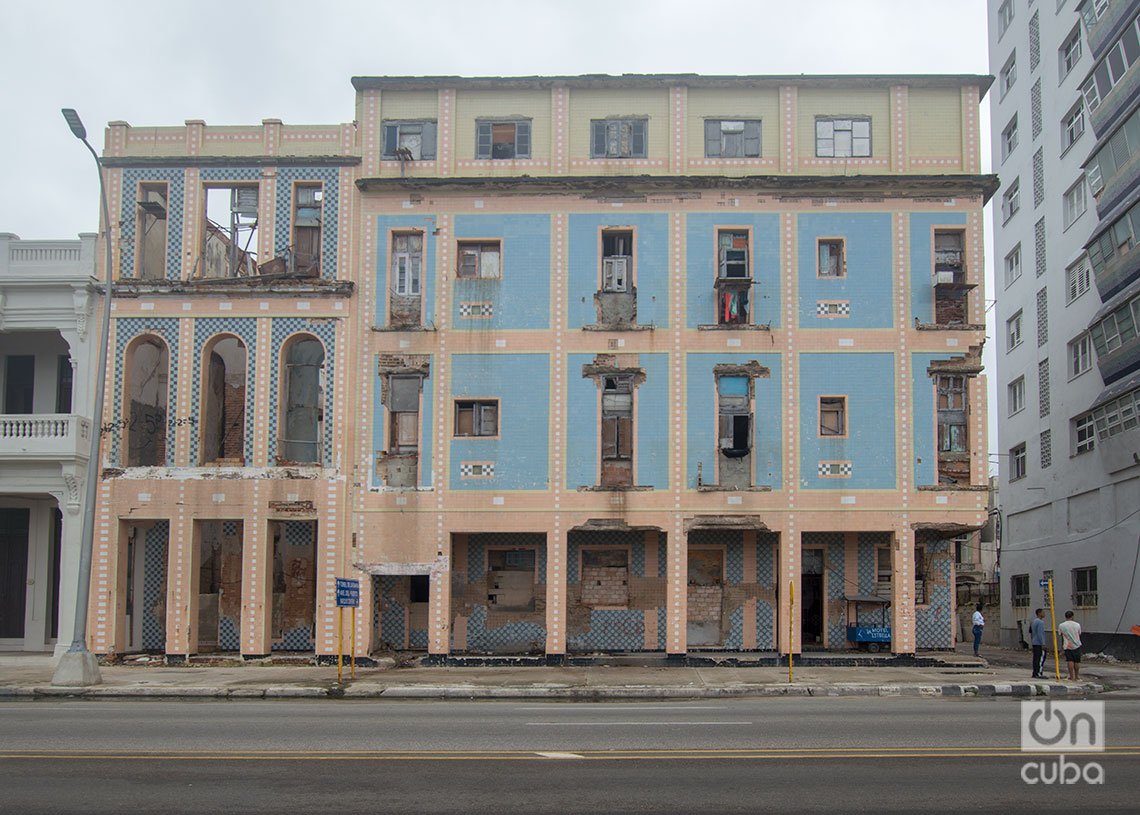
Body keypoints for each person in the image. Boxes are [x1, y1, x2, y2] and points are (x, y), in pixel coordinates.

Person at [1058, 610, 1083, 681]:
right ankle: (1077, 676)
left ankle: (1071, 677)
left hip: (1067, 645)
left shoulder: (1061, 625)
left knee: (1070, 660)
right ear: (1072, 616)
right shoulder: (1077, 625)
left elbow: (1060, 634)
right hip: (1077, 644)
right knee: (1077, 661)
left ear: (1065, 616)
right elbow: (1079, 633)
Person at [1029, 608, 1047, 678]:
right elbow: (1040, 634)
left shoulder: (1033, 621)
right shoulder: (1040, 622)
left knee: (1036, 658)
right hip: (1039, 643)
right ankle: (1039, 673)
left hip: (1034, 642)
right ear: (1039, 613)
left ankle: (1035, 673)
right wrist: (1043, 643)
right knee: (1040, 658)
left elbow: (1030, 631)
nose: (1044, 614)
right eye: (1043, 612)